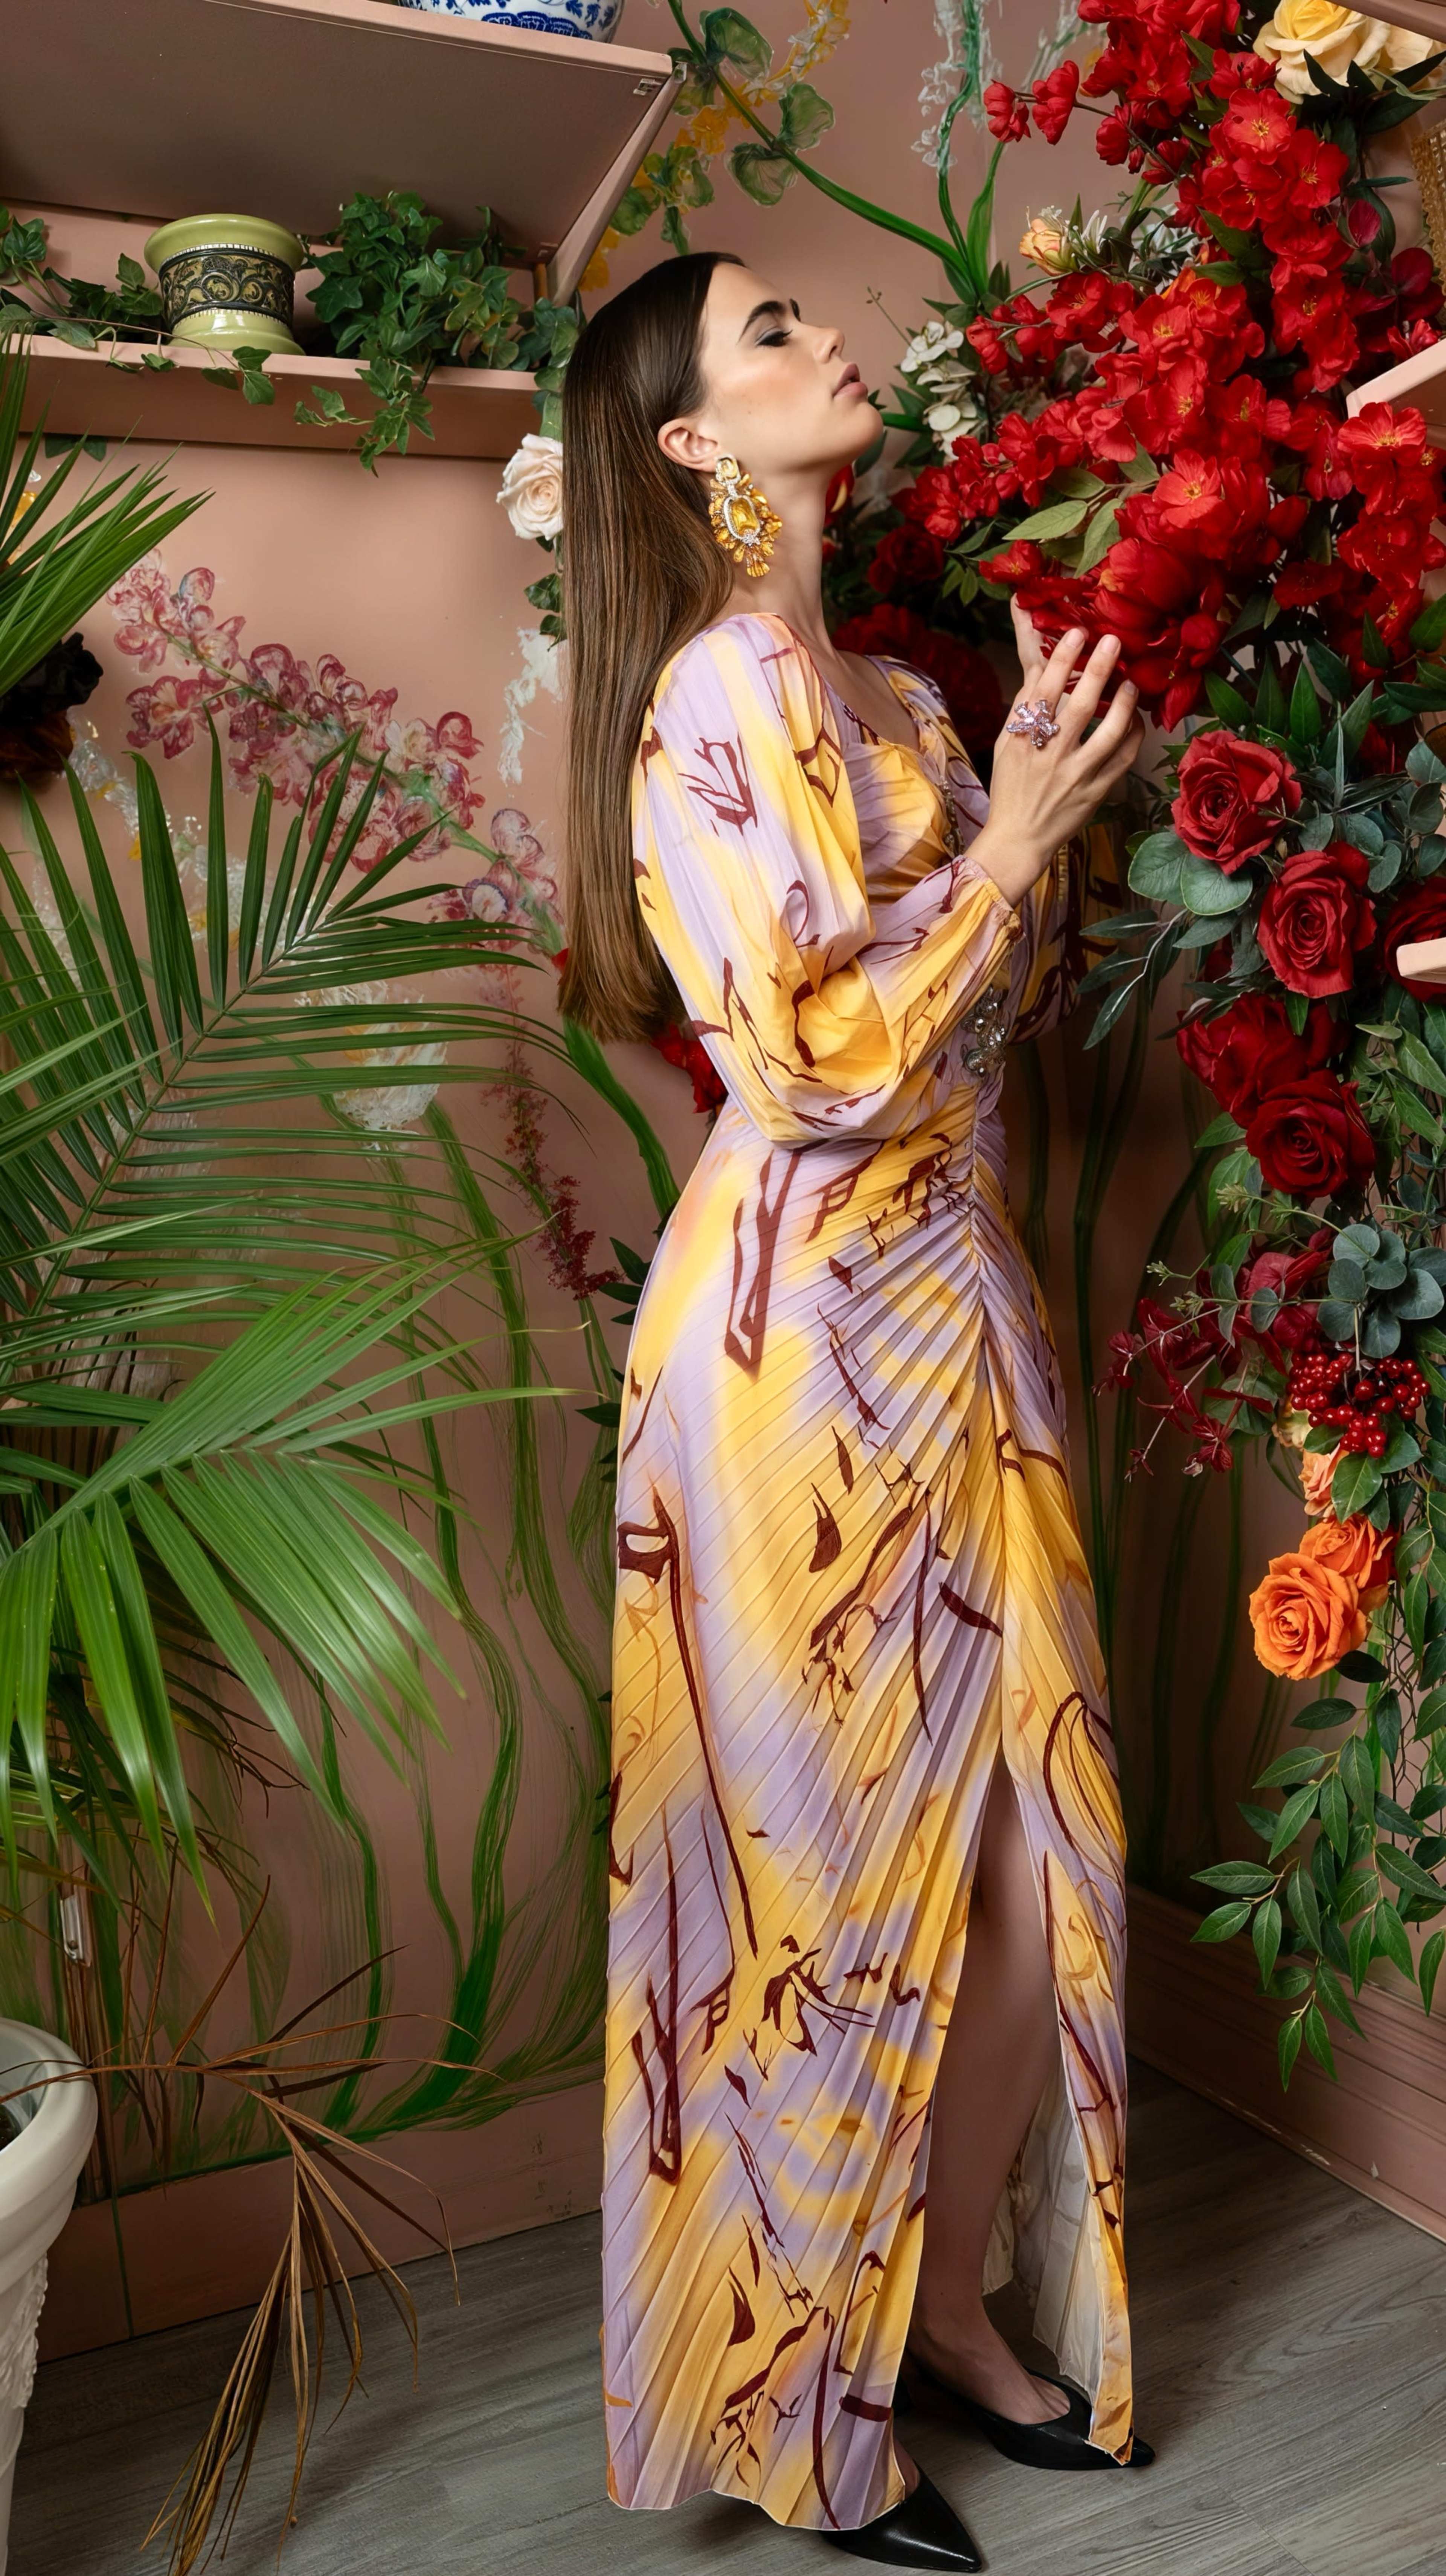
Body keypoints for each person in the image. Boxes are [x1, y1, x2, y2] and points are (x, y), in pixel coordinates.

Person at [558, 248, 1150, 2570]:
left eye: (813, 312)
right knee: (813, 1906)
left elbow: (980, 1017)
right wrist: (1010, 845)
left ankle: (936, 2310)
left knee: (1021, 1866)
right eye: (766, 334)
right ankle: (808, 2405)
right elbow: (806, 1067)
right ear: (692, 447)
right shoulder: (710, 694)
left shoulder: (899, 694)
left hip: (959, 1316)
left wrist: (1027, 819)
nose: (824, 339)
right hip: (788, 1359)